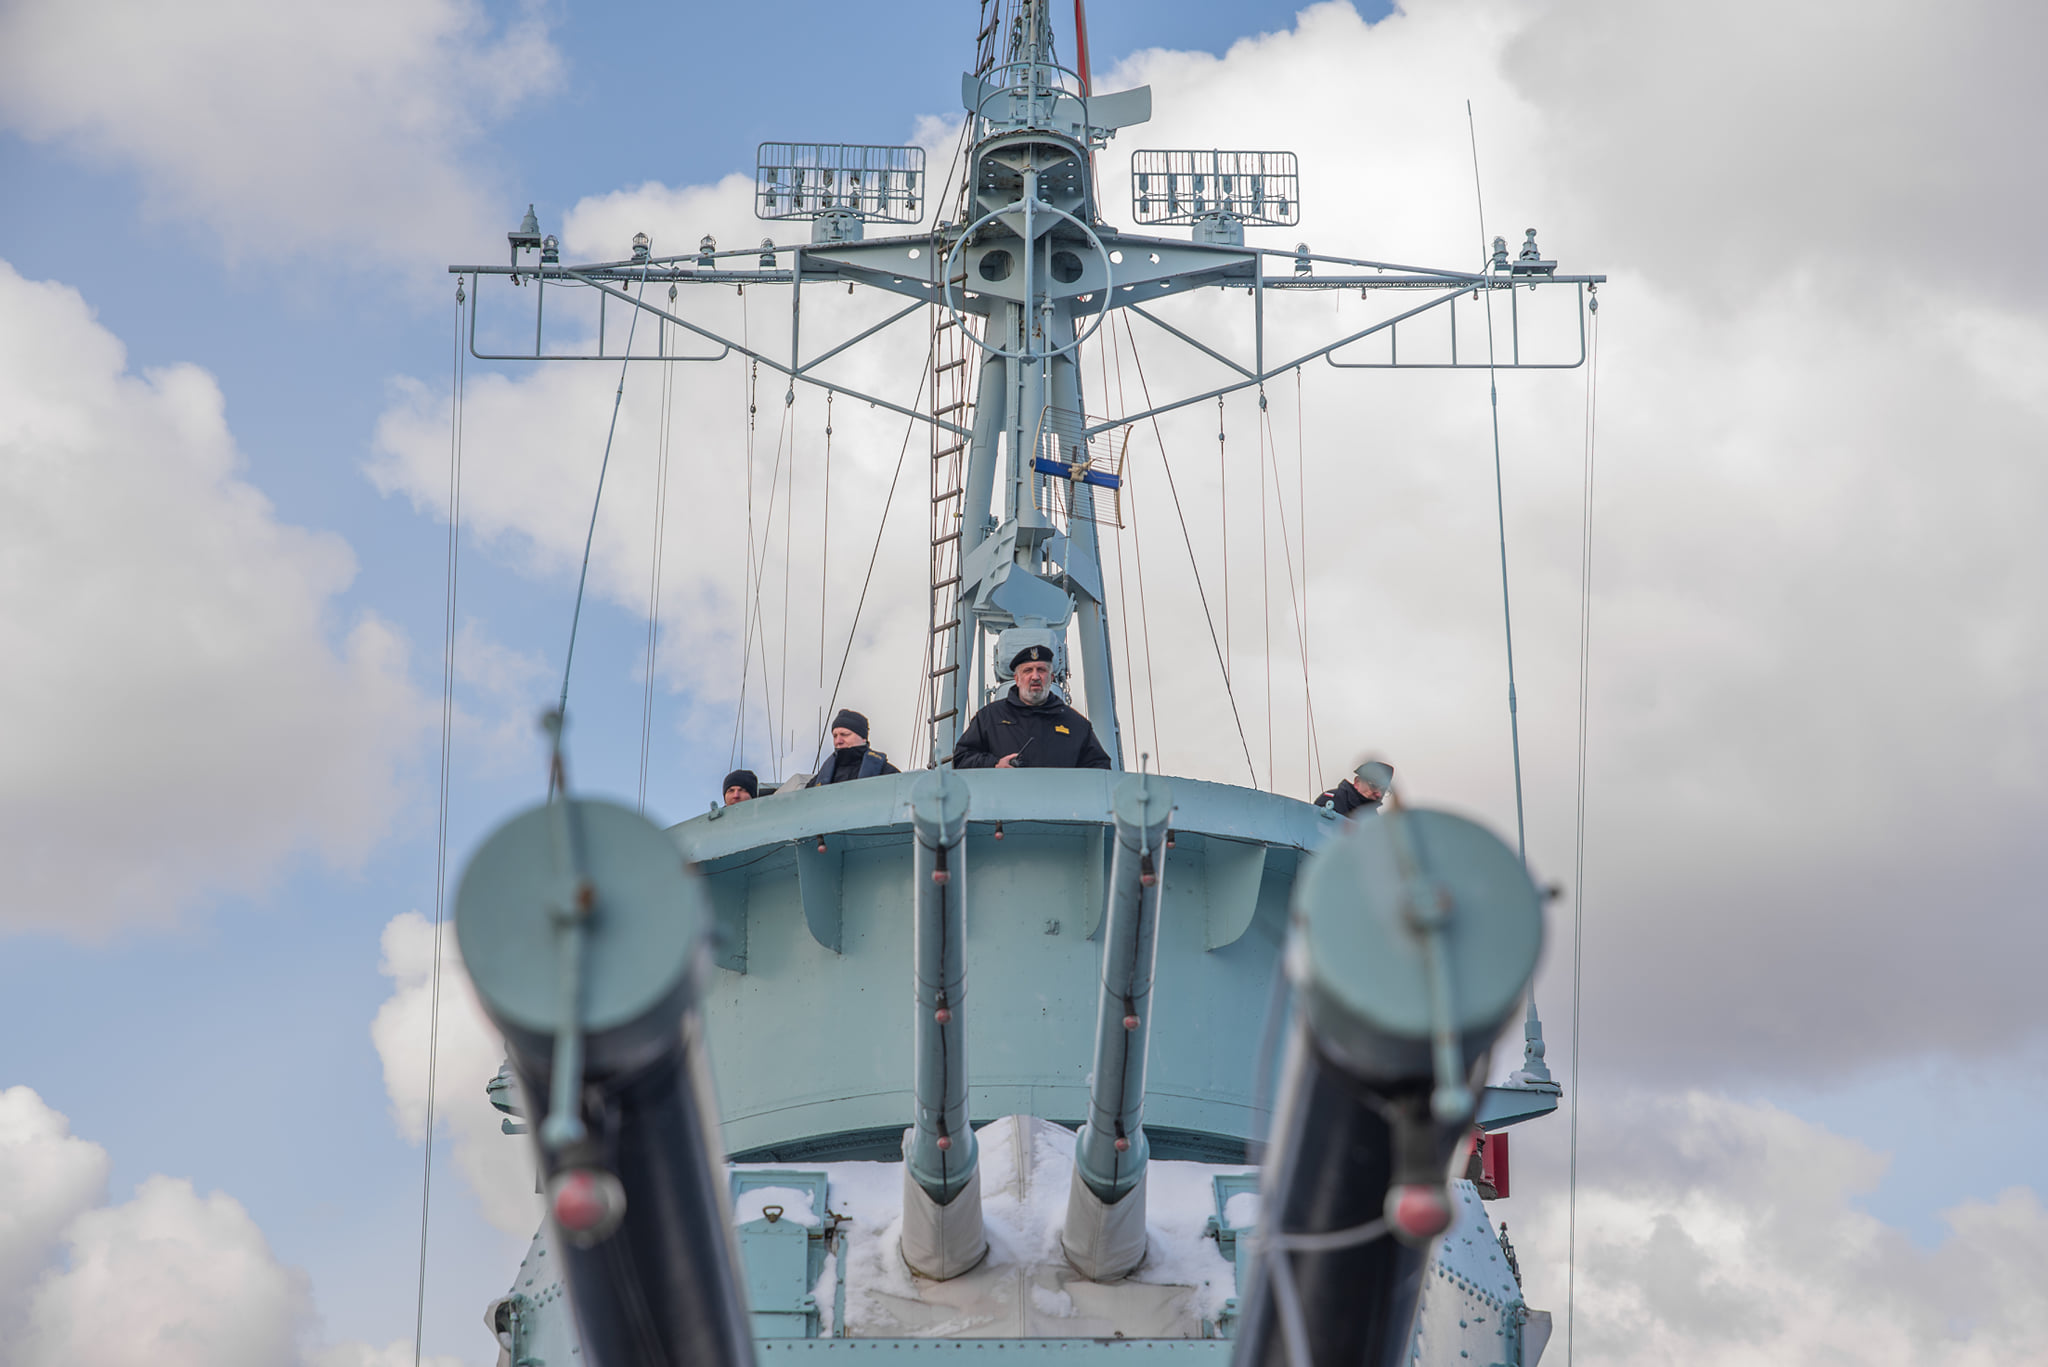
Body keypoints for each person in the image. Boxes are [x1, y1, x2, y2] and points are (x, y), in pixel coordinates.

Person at [952, 644, 1113, 770]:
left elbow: (1100, 769)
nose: (1035, 676)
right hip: (1003, 810)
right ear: (1017, 678)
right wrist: (994, 764)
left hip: (1060, 810)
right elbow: (961, 759)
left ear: (1050, 678)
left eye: (1041, 670)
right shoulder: (989, 718)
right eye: (1028, 670)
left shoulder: (1076, 725)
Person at [807, 709, 900, 786]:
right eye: (835, 736)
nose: (838, 741)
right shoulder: (817, 781)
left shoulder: (887, 773)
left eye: (845, 735)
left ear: (863, 738)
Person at [1316, 759, 1392, 817]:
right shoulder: (1331, 800)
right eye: (1374, 786)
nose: (1379, 794)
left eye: (1384, 789)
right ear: (1357, 782)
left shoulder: (1374, 819)